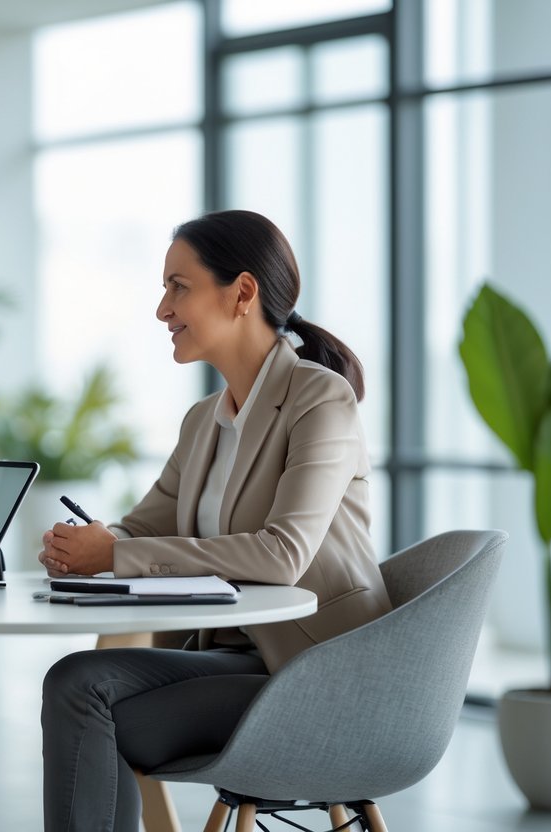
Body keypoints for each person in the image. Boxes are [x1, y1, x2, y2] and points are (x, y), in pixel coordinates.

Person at [37, 209, 392, 831]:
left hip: (314, 672)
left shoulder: (320, 399)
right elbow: (142, 529)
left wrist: (114, 556)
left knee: (88, 697)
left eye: (179, 287)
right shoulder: (204, 421)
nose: (162, 310)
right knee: (77, 680)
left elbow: (283, 555)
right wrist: (91, 545)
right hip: (231, 657)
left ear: (242, 293)